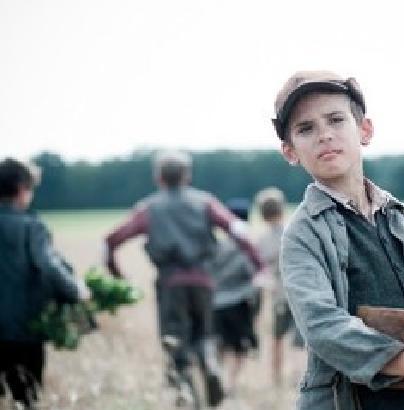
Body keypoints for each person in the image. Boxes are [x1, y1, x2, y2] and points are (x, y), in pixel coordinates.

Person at [272, 71, 404, 410]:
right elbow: (322, 324)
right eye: (306, 128)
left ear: (365, 130)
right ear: (290, 151)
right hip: (348, 401)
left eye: (336, 120)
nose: (324, 135)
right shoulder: (304, 232)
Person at [104, 150, 262, 408]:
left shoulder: (149, 208)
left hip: (170, 283)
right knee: (204, 336)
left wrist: (116, 273)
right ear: (187, 176)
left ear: (158, 178)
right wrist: (258, 266)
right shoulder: (205, 202)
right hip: (204, 282)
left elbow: (111, 240)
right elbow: (237, 229)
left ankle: (189, 399)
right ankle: (211, 366)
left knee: (174, 342)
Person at [0, 158, 90, 408]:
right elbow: (48, 264)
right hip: (22, 331)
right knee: (25, 398)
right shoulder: (31, 226)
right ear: (22, 189)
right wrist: (76, 291)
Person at [207, 198, 260, 391]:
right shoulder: (246, 248)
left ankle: (217, 379)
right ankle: (231, 384)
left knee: (219, 345)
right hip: (239, 303)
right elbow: (252, 273)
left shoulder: (215, 247)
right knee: (239, 347)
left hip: (215, 303)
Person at [254, 187, 304, 386]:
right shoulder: (295, 233)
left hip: (278, 296)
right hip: (300, 292)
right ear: (282, 210)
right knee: (299, 340)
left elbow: (260, 270)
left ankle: (276, 378)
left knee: (277, 338)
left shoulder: (262, 241)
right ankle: (297, 376)